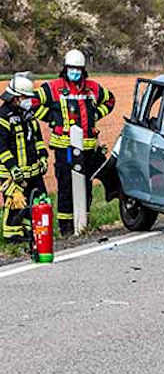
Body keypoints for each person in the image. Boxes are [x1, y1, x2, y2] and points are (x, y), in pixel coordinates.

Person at [35, 50, 115, 236]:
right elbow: (33, 102)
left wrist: (97, 113)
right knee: (65, 186)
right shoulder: (53, 88)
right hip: (65, 148)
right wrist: (51, 119)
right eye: (71, 69)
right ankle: (66, 228)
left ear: (83, 70)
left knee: (85, 187)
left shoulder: (92, 88)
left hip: (87, 148)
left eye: (78, 69)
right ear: (65, 68)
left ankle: (83, 223)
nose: (75, 72)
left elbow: (110, 100)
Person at [0, 74, 47, 241]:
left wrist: (43, 157)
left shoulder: (28, 115)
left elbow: (38, 140)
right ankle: (11, 236)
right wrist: (13, 168)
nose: (29, 100)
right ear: (16, 98)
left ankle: (29, 231)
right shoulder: (3, 117)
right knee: (15, 203)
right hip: (12, 173)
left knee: (38, 201)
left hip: (33, 172)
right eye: (26, 97)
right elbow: (2, 148)